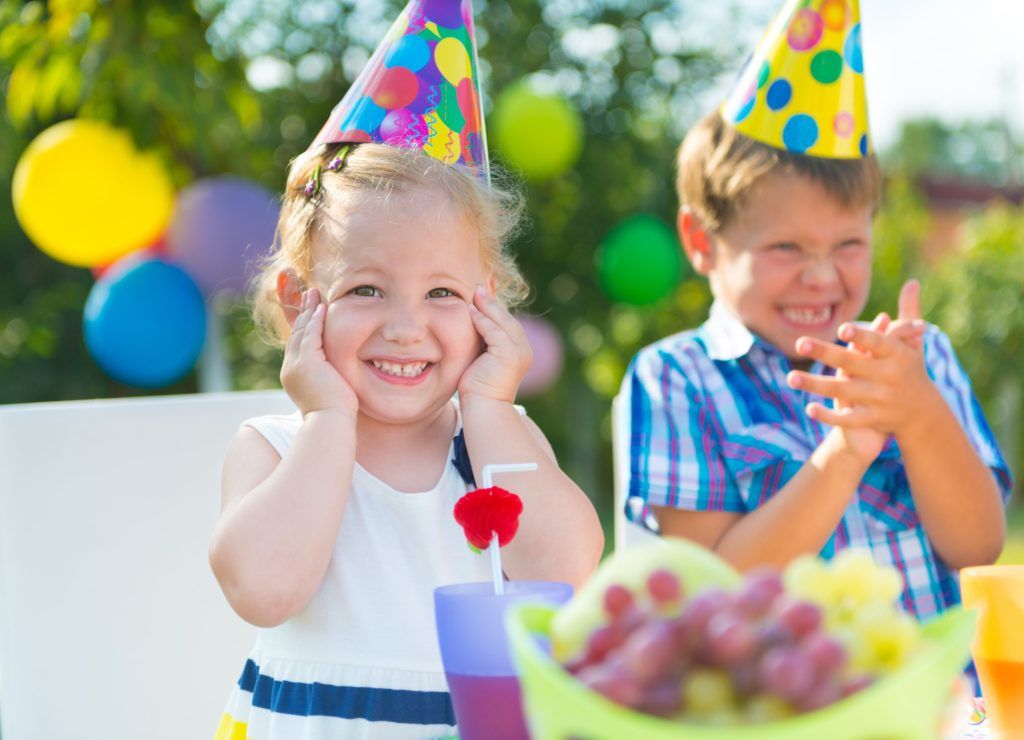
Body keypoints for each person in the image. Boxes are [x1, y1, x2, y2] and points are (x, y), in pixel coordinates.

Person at [208, 4, 603, 738]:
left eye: (443, 294)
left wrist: (490, 411)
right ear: (300, 300)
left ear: (489, 305)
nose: (405, 326)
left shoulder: (499, 441)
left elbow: (566, 575)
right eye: (366, 289)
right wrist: (329, 420)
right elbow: (263, 588)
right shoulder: (275, 445)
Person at [621, 0, 1010, 626]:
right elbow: (713, 589)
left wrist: (919, 413)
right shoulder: (677, 377)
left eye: (848, 245)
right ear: (702, 243)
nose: (823, 276)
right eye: (786, 248)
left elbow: (977, 546)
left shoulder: (918, 356)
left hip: (938, 711)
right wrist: (845, 454)